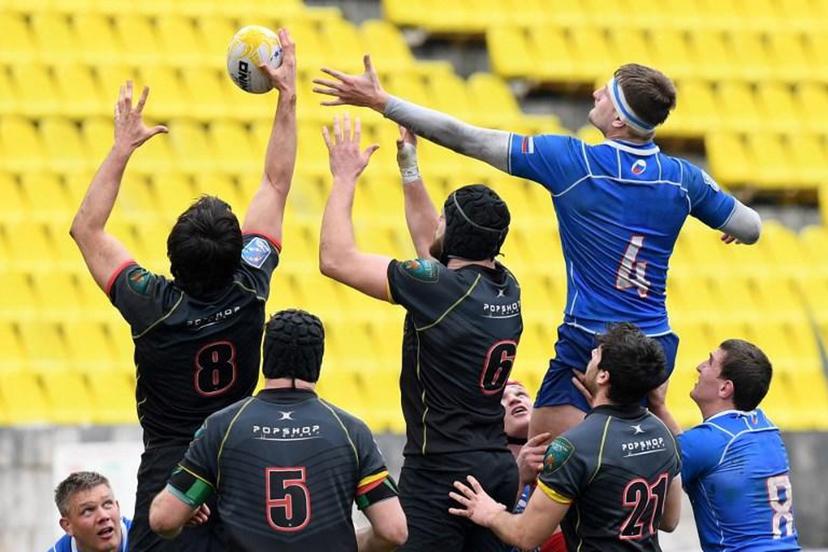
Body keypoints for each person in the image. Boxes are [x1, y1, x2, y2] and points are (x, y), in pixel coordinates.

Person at [312, 58, 763, 443]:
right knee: (632, 463)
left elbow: (469, 139)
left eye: (604, 95)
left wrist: (383, 102)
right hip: (655, 344)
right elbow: (751, 226)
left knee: (544, 459)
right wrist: (732, 229)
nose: (594, 93)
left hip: (594, 341)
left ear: (620, 120)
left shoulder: (573, 162)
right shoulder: (683, 178)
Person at [69, 30, 298, 551]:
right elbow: (276, 184)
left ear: (170, 260)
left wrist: (122, 148)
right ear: (235, 251)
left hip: (170, 473)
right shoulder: (250, 285)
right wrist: (287, 98)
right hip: (239, 466)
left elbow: (87, 230)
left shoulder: (152, 304)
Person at [318, 117, 521, 551]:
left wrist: (344, 178)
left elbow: (336, 258)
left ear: (452, 232)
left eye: (443, 221)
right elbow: (433, 245)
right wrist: (410, 171)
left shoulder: (439, 287)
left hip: (441, 472)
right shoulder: (505, 284)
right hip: (496, 467)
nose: (436, 228)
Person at [148, 309, 407, 551]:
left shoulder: (222, 426)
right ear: (318, 360)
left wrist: (185, 510)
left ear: (265, 356)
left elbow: (163, 520)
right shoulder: (351, 431)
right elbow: (393, 531)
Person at [450, 323, 682, 551]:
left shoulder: (572, 446)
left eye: (596, 355)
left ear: (603, 376)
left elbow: (525, 536)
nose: (590, 356)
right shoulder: (663, 434)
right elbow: (669, 521)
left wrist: (490, 512)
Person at [648, 339, 801, 551]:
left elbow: (666, 519)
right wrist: (659, 407)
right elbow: (700, 451)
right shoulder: (766, 430)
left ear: (725, 388)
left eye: (710, 363)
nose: (700, 366)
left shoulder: (710, 442)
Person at [501, 381, 565, 552]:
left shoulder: (570, 452)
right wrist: (519, 480)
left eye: (520, 394)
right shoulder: (487, 473)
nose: (514, 399)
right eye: (502, 399)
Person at [50, 471, 132, 552]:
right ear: (67, 525)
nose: (103, 516)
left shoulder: (143, 536)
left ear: (117, 507)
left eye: (107, 504)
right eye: (88, 511)